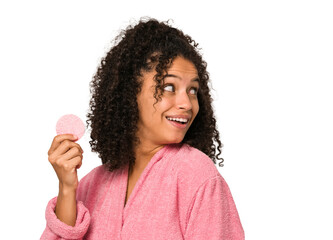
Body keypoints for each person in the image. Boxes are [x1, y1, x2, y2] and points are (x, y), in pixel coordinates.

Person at [41, 17, 245, 240]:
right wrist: (68, 189)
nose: (187, 104)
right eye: (169, 87)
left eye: (193, 90)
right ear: (130, 92)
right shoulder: (94, 183)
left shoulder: (197, 176)